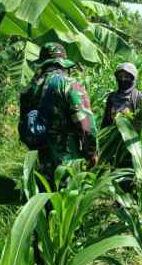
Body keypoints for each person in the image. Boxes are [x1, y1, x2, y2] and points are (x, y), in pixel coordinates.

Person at [19, 42, 98, 186]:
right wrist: (91, 152)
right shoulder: (68, 84)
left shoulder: (29, 89)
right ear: (63, 64)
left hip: (39, 158)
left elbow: (23, 124)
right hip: (66, 159)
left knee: (43, 196)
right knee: (67, 197)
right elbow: (85, 124)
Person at [101, 62, 142, 128]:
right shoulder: (112, 97)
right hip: (112, 132)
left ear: (133, 78)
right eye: (120, 77)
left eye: (127, 77)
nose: (123, 79)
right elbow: (106, 121)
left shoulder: (140, 97)